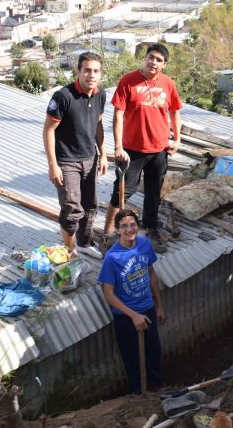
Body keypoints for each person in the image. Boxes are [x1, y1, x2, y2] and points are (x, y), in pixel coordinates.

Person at [103, 43, 182, 253]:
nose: (153, 62)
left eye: (158, 60)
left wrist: (177, 139)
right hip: (132, 150)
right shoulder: (128, 81)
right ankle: (109, 233)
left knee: (153, 193)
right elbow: (118, 114)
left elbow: (175, 112)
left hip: (159, 150)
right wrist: (118, 146)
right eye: (151, 57)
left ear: (164, 65)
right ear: (145, 58)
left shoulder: (168, 84)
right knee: (121, 193)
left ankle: (150, 227)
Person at [43, 51, 107, 257]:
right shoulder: (63, 97)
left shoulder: (100, 94)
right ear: (78, 71)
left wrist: (103, 153)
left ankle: (84, 243)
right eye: (87, 70)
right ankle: (70, 252)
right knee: (72, 210)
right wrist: (53, 165)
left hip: (90, 158)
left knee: (90, 206)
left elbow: (98, 124)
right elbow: (48, 130)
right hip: (66, 161)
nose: (92, 75)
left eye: (96, 71)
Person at [98, 209, 166, 394]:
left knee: (154, 352)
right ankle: (139, 395)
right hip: (126, 317)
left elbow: (151, 273)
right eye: (124, 226)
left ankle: (159, 390)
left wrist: (159, 306)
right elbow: (109, 294)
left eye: (133, 224)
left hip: (148, 308)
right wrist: (134, 315)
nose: (129, 229)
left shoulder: (144, 244)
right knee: (132, 358)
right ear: (117, 230)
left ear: (138, 226)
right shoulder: (112, 257)